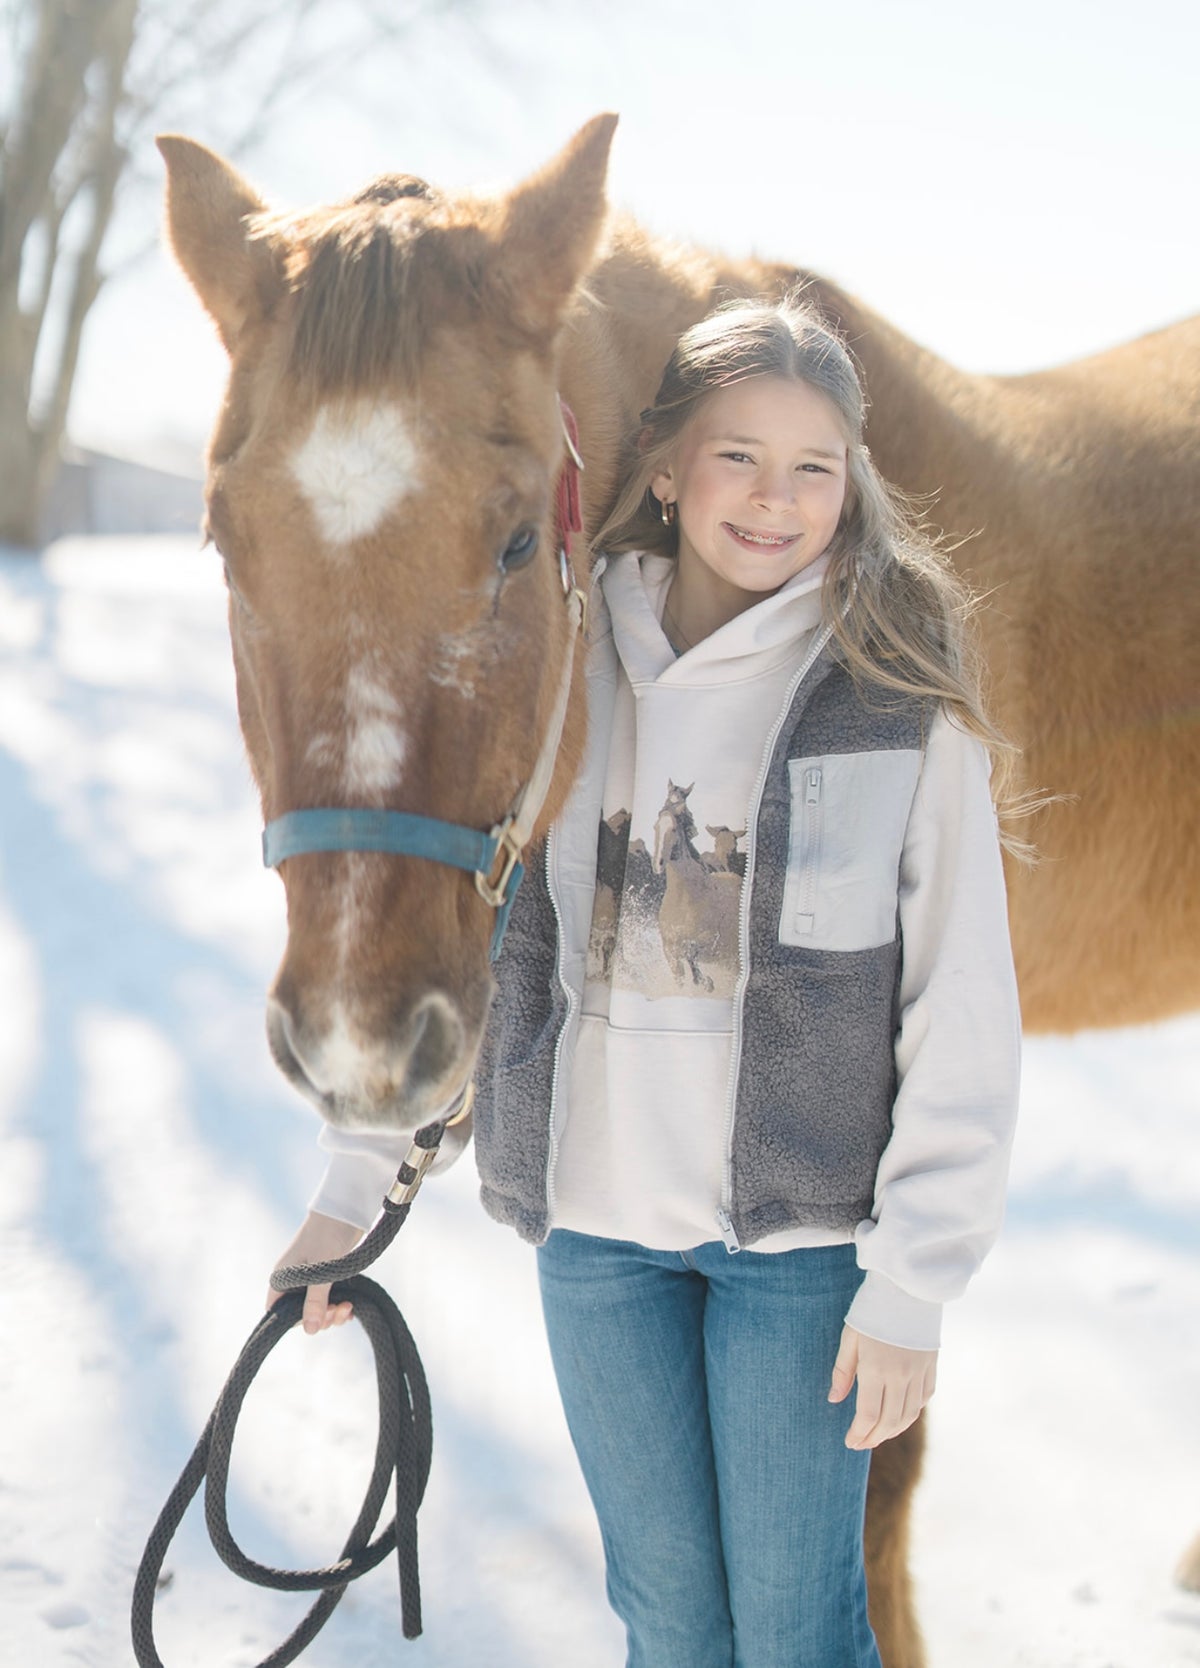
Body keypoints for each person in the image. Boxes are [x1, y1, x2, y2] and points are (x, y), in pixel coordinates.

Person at [270, 296, 1023, 1668]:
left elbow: (962, 1015)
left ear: (852, 486)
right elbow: (474, 935)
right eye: (740, 456)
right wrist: (351, 1190)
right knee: (669, 1628)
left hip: (797, 1260)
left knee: (798, 1634)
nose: (776, 499)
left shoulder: (894, 702)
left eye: (815, 466)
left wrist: (913, 1285)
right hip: (599, 1242)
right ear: (666, 466)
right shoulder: (565, 670)